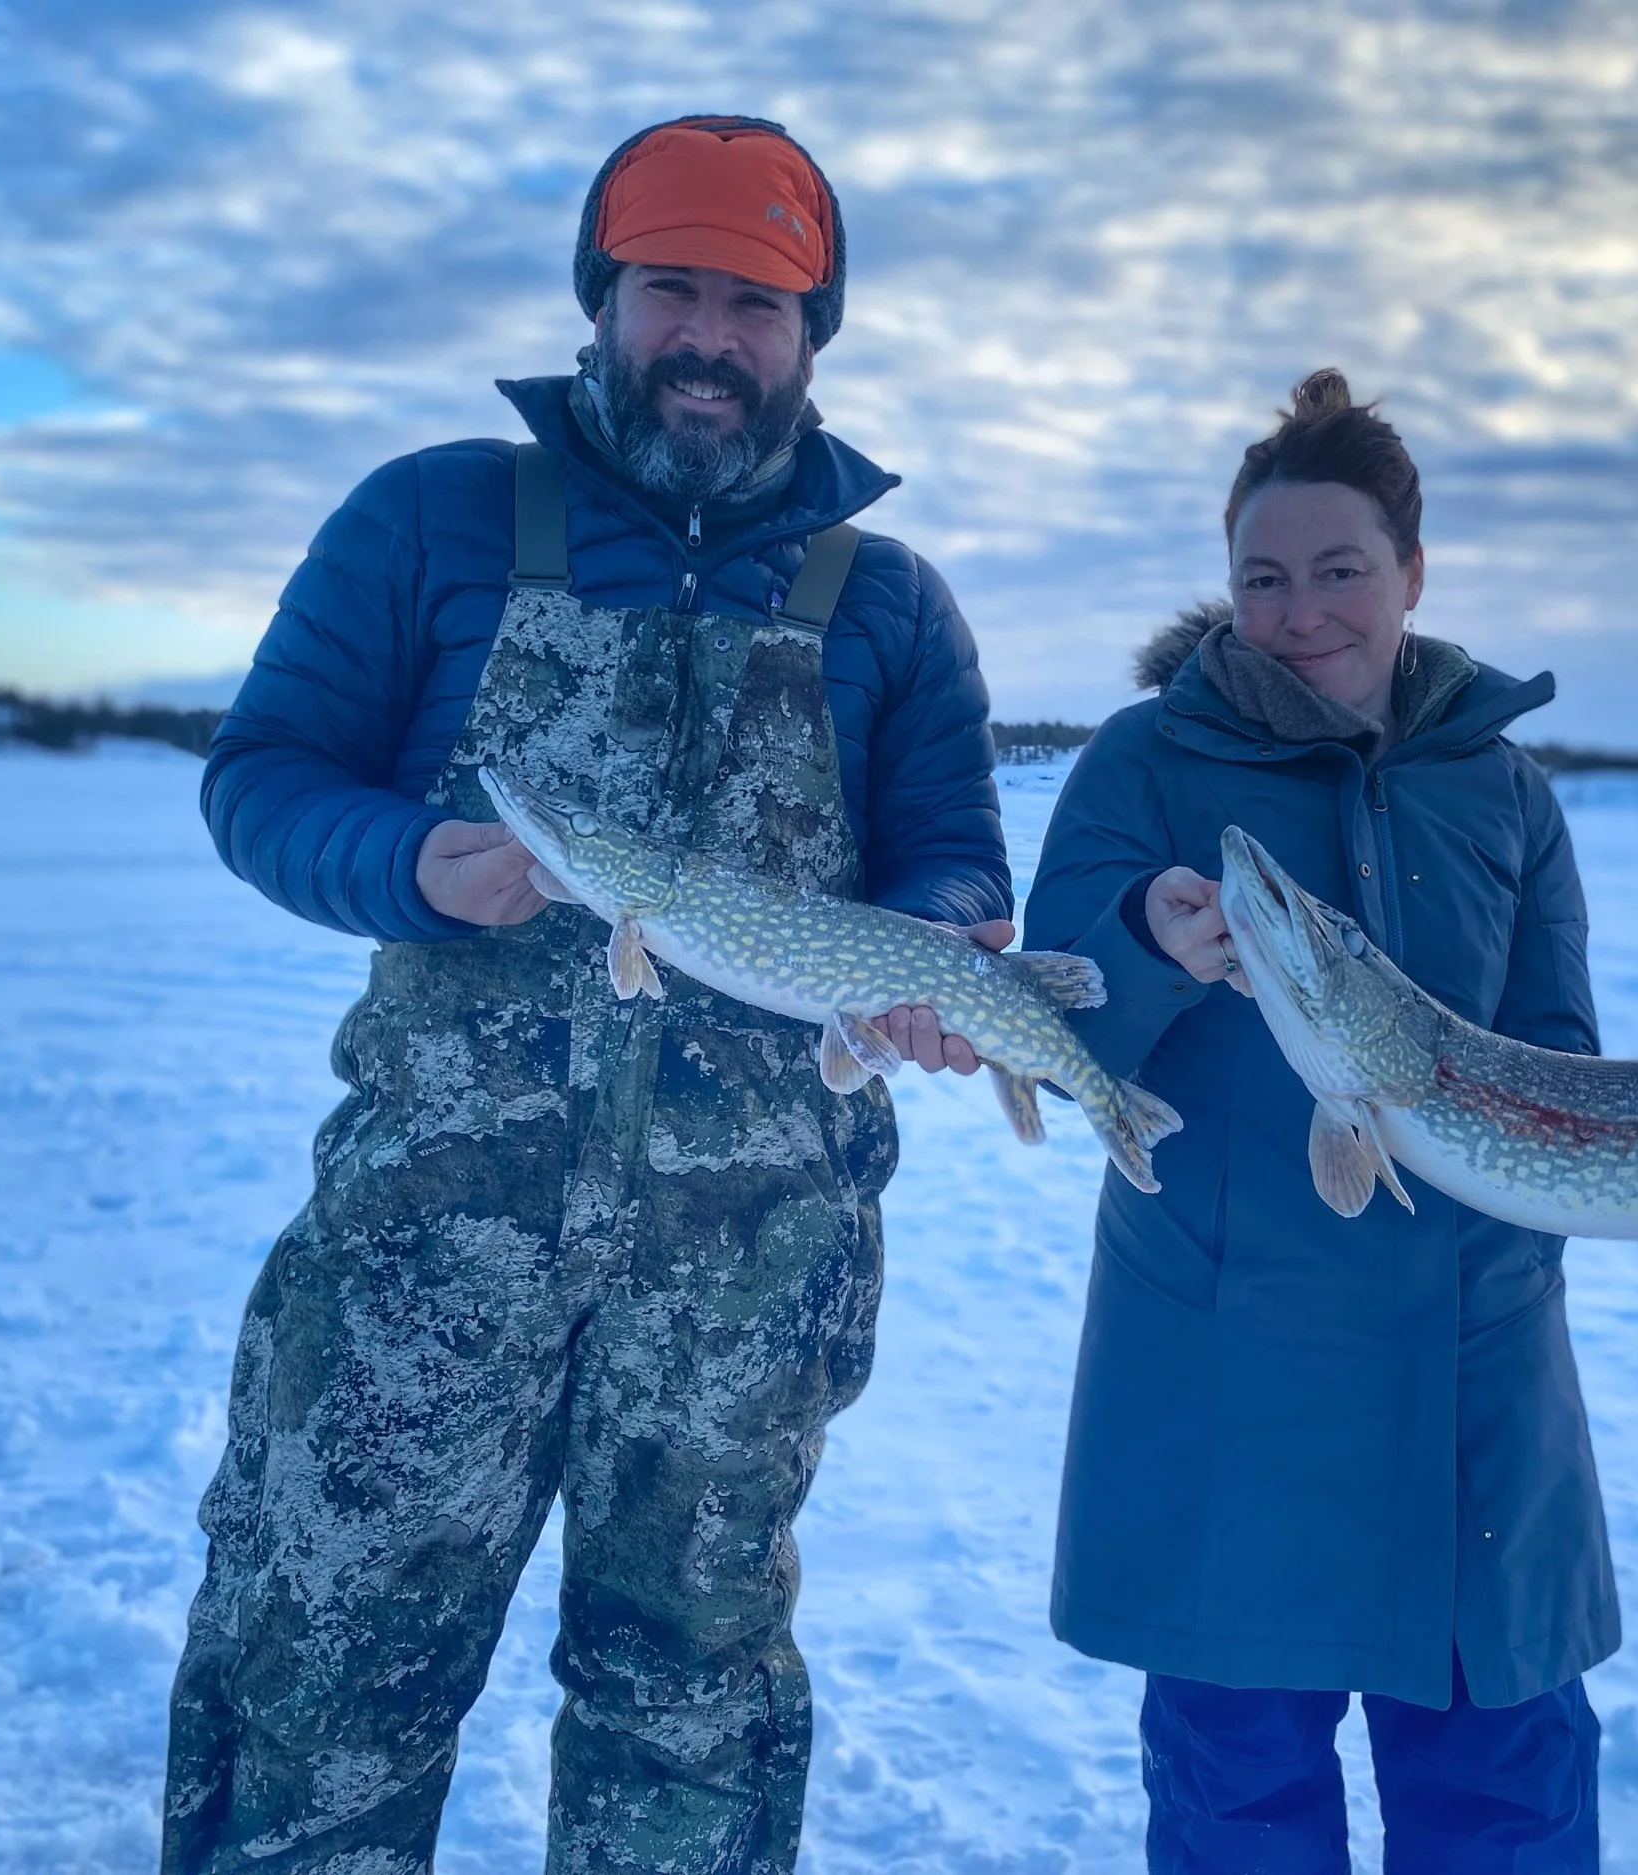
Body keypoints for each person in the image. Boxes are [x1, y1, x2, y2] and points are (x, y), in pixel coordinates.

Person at [164, 115, 1008, 1874]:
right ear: (600, 302)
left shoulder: (894, 604)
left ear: (813, 332)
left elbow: (951, 860)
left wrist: (931, 959)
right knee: (321, 1682)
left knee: (687, 1716)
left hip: (746, 1278)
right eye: (670, 290)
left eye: (757, 304)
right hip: (429, 1254)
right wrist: (408, 862)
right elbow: (263, 776)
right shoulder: (434, 517)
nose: (710, 337)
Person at [1023, 370, 1638, 1872]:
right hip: (1227, 1390)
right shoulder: (1144, 765)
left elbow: (1562, 1069)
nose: (1300, 611)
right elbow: (1051, 1013)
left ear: (1412, 573)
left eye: (1341, 571)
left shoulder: (1504, 790)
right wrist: (1145, 936)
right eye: (1262, 579)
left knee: (1507, 1819)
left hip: (1478, 1399)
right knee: (1242, 1820)